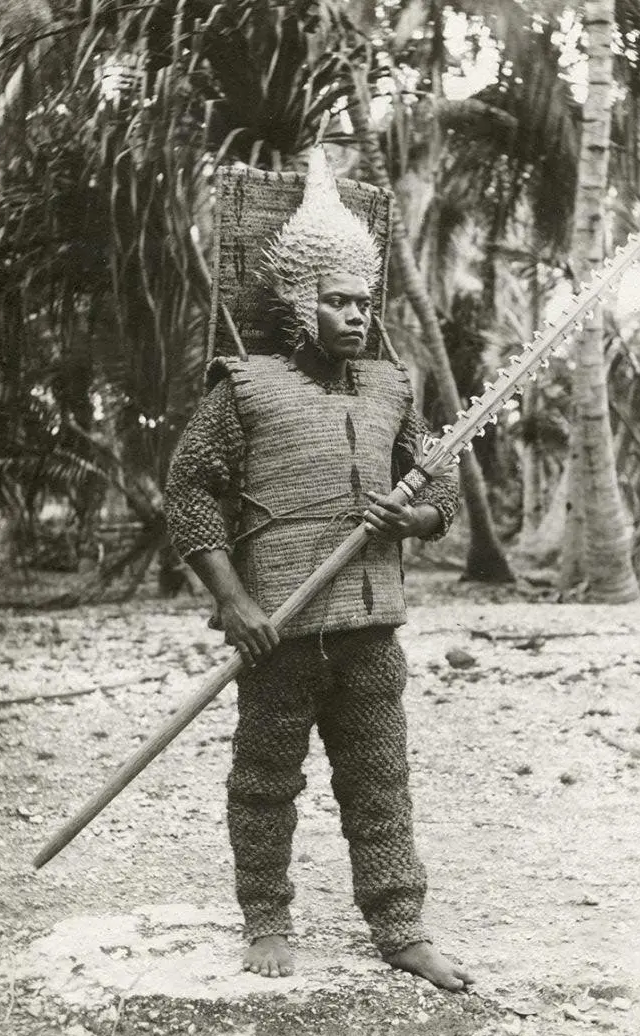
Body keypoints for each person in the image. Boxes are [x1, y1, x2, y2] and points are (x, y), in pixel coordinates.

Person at [164, 147, 474, 992]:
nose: (354, 315)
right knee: (265, 781)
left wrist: (409, 517)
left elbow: (440, 483)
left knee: (380, 779)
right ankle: (266, 918)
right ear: (300, 303)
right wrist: (232, 601)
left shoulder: (389, 388)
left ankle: (401, 924)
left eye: (362, 301)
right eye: (336, 300)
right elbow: (190, 497)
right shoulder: (246, 388)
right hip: (281, 627)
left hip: (371, 625)